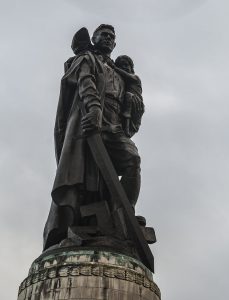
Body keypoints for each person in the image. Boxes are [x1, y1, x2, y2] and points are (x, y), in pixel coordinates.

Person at [43, 24, 144, 250]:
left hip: (114, 126)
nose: (108, 39)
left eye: (111, 37)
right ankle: (69, 229)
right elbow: (85, 83)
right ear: (95, 38)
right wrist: (94, 109)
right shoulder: (87, 58)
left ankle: (124, 214)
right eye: (103, 35)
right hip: (88, 122)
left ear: (115, 44)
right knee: (77, 179)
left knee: (132, 161)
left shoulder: (120, 73)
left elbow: (133, 103)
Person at [114, 55, 143, 137]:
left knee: (128, 96)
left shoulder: (135, 77)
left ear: (131, 67)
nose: (124, 67)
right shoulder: (121, 81)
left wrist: (114, 67)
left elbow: (126, 76)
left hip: (135, 101)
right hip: (128, 101)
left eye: (126, 65)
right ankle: (124, 128)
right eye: (121, 66)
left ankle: (126, 130)